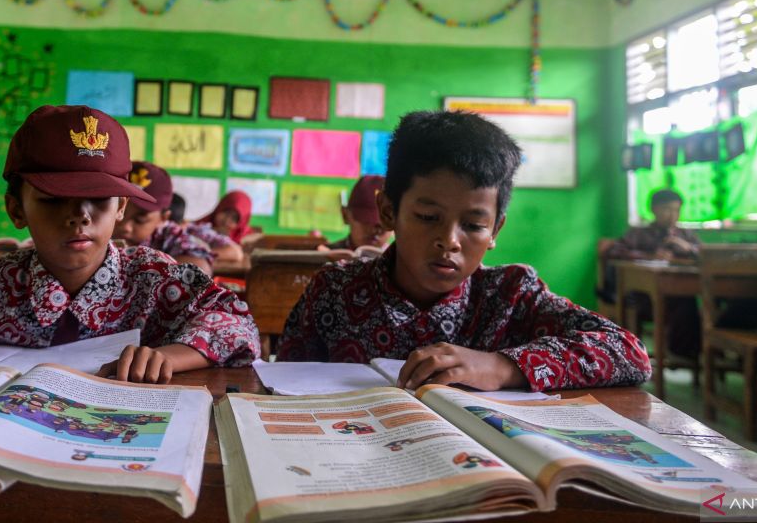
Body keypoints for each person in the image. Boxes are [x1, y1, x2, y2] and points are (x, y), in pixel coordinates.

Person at [0, 105, 259, 383]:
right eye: (54, 199)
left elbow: (238, 324)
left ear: (122, 206)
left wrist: (166, 358)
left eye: (100, 199)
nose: (80, 216)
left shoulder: (154, 279)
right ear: (16, 209)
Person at [277, 110, 650, 392]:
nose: (450, 241)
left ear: (495, 230)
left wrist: (503, 367)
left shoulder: (511, 295)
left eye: (473, 225)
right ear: (389, 211)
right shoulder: (334, 291)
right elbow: (281, 386)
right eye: (427, 216)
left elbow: (629, 352)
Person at [601, 188, 700, 358]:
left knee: (689, 302)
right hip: (642, 297)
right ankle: (679, 353)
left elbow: (704, 254)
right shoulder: (640, 234)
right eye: (667, 209)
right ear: (654, 210)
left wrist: (688, 248)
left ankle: (683, 353)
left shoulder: (684, 235)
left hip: (675, 294)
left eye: (676, 210)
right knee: (683, 305)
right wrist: (649, 255)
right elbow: (614, 250)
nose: (672, 215)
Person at [113, 161, 215, 276]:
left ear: (163, 218)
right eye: (119, 211)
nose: (125, 226)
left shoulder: (167, 235)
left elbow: (202, 267)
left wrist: (139, 265)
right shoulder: (100, 225)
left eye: (140, 220)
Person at [323, 174, 391, 252]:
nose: (374, 230)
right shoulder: (324, 257)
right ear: (345, 215)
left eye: (382, 224)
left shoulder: (403, 261)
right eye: (366, 221)